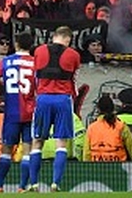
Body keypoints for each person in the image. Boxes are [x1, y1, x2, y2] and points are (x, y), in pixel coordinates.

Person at [28, 26, 80, 192]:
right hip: (63, 100)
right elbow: (74, 77)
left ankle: (34, 184)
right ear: (68, 39)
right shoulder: (73, 55)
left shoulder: (39, 51)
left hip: (43, 99)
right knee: (61, 143)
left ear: (54, 36)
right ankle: (55, 184)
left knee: (37, 142)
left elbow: (35, 75)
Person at [0, 31, 36, 193]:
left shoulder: (6, 62)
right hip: (30, 112)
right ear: (32, 45)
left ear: (16, 44)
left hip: (12, 111)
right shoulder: (36, 63)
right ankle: (22, 187)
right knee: (28, 150)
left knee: (6, 149)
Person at [83, 95, 132, 162]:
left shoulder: (91, 128)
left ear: (98, 109)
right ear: (113, 108)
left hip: (96, 168)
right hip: (119, 168)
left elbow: (87, 154)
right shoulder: (121, 126)